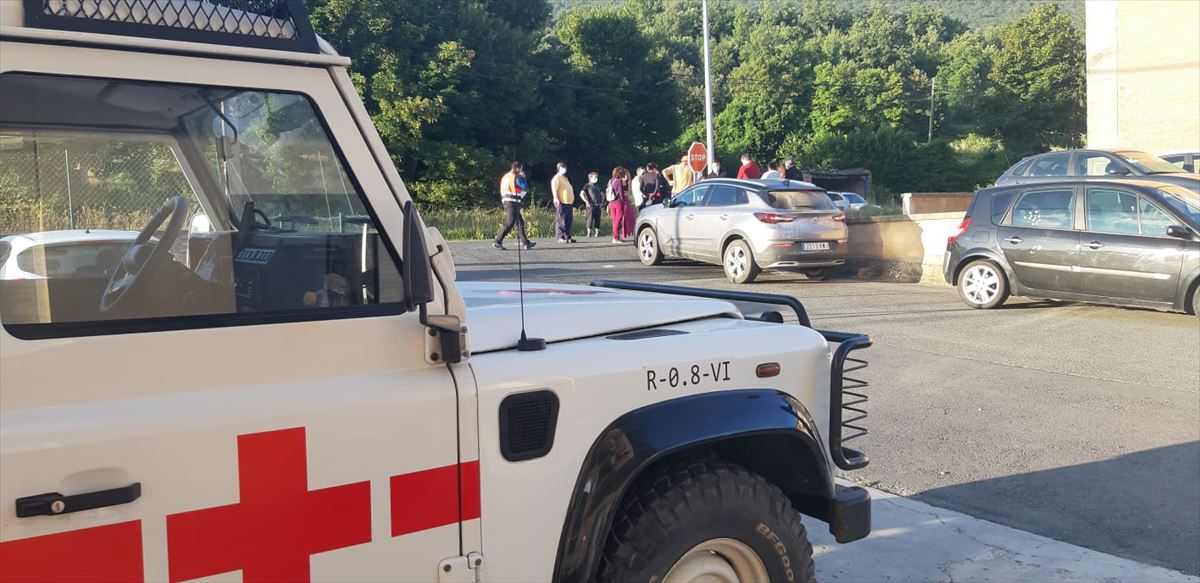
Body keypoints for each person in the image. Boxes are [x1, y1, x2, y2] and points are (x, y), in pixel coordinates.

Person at [493, 161, 535, 250]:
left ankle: (525, 243)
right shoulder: (515, 177)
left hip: (507, 200)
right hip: (512, 202)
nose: (521, 171)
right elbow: (524, 187)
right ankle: (498, 241)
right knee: (510, 222)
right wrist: (523, 178)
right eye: (520, 169)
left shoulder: (506, 176)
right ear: (517, 168)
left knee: (520, 222)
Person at [551, 162, 576, 243]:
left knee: (568, 220)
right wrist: (555, 198)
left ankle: (567, 236)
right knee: (561, 219)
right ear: (559, 168)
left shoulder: (565, 178)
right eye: (562, 167)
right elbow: (554, 188)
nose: (564, 169)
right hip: (561, 201)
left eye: (565, 167)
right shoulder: (557, 177)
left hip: (568, 202)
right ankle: (560, 236)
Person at [608, 167, 631, 244]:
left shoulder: (611, 180)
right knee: (618, 219)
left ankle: (615, 236)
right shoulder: (619, 181)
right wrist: (623, 201)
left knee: (614, 220)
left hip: (611, 202)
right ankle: (616, 238)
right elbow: (621, 192)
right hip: (618, 202)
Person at [579, 171, 604, 238]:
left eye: (596, 177)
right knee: (589, 219)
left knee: (597, 219)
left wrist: (602, 202)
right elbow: (581, 193)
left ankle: (597, 232)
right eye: (595, 177)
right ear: (590, 178)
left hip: (597, 205)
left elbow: (602, 194)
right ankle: (589, 232)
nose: (596, 178)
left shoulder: (597, 186)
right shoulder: (587, 185)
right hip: (590, 205)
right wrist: (586, 202)